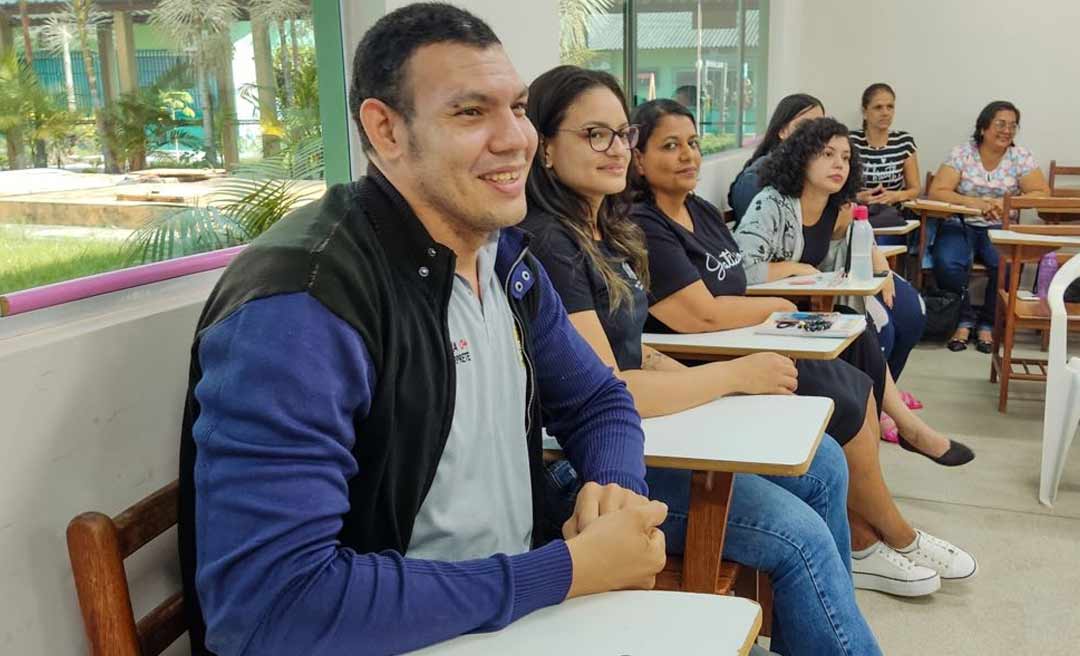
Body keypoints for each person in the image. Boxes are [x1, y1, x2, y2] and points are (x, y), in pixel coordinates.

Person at [176, 6, 670, 655]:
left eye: (517, 108)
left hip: (512, 618)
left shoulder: (505, 262)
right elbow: (271, 608)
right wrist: (568, 571)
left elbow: (599, 400)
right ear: (385, 131)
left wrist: (614, 492)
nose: (515, 138)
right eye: (471, 113)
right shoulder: (302, 305)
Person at [522, 65, 881, 655]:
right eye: (595, 135)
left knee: (824, 461)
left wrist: (724, 384)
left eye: (623, 134)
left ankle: (816, 631)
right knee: (800, 540)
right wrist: (732, 376)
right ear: (545, 149)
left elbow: (637, 348)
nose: (617, 149)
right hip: (583, 468)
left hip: (642, 431)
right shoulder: (549, 244)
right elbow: (607, 389)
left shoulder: (606, 228)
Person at [629, 99, 978, 597]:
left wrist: (785, 310)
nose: (688, 155)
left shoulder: (699, 211)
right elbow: (700, 313)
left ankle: (868, 534)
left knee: (855, 348)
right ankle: (890, 538)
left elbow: (730, 293)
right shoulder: (647, 223)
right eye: (669, 145)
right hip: (707, 354)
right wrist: (786, 308)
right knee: (846, 393)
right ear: (637, 158)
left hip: (742, 334)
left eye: (692, 143)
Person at [734, 117, 926, 381]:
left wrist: (879, 263)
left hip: (823, 293)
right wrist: (795, 268)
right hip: (774, 309)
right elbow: (742, 270)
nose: (839, 164)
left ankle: (883, 396)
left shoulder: (838, 204)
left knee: (912, 310)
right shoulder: (771, 203)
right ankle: (872, 400)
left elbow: (853, 241)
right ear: (802, 158)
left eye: (846, 158)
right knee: (880, 330)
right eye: (827, 154)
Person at [928, 100, 1051, 353]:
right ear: (983, 128)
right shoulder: (962, 153)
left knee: (1004, 264)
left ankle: (988, 324)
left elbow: (1042, 192)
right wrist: (975, 203)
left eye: (1013, 126)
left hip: (1001, 224)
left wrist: (1003, 203)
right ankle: (962, 320)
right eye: (1001, 124)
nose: (1007, 130)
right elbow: (938, 191)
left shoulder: (1020, 157)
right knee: (947, 261)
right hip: (960, 222)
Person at [728, 93, 824, 224]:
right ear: (782, 131)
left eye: (820, 127)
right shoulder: (755, 178)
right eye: (804, 126)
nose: (813, 134)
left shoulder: (816, 171)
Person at [850, 83, 922, 242]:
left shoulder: (904, 142)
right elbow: (836, 187)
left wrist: (895, 196)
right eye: (878, 107)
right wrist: (858, 197)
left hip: (890, 216)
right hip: (856, 213)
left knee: (880, 241)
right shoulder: (850, 141)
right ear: (865, 112)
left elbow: (915, 189)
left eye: (890, 107)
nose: (885, 113)